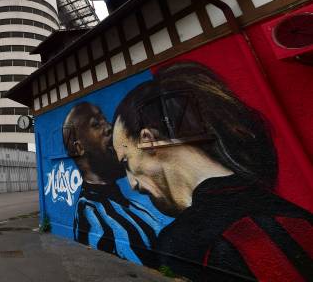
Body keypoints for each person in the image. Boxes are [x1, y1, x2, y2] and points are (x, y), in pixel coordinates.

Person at [112, 61, 313, 281]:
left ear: (149, 141)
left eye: (126, 162)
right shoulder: (293, 214)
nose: (132, 184)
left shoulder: (183, 243)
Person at [62, 102, 172, 266]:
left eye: (105, 120)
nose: (109, 127)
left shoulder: (128, 204)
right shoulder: (91, 215)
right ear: (78, 148)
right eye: (96, 124)